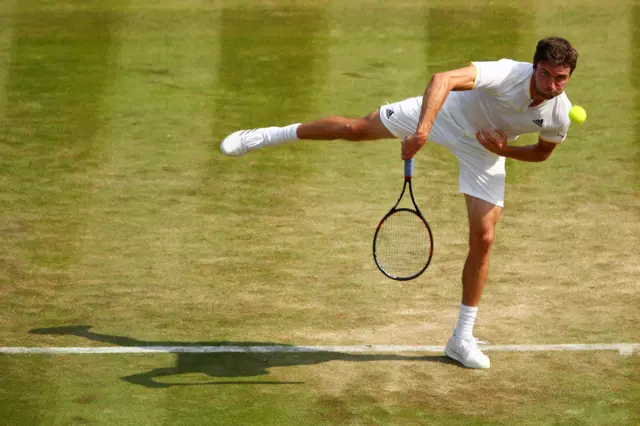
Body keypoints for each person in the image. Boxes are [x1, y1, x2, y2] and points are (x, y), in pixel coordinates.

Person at [219, 36, 579, 369]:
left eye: (559, 78)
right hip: (443, 115)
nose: (550, 85)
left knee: (484, 238)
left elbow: (541, 154)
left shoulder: (558, 113)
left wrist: (504, 150)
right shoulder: (506, 73)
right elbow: (441, 80)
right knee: (355, 130)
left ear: (568, 78)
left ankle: (461, 339)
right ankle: (266, 136)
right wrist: (422, 131)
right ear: (533, 67)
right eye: (545, 74)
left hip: (483, 148)